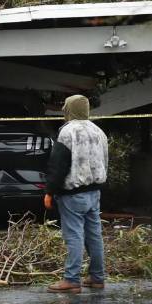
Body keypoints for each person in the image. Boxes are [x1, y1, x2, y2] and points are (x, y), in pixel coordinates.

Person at [45, 94, 109, 293]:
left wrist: (50, 191)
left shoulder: (67, 132)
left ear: (68, 109)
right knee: (94, 235)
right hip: (94, 192)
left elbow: (58, 165)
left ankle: (72, 280)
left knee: (73, 236)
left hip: (72, 194)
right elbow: (105, 161)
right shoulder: (98, 131)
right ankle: (97, 277)